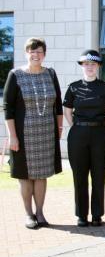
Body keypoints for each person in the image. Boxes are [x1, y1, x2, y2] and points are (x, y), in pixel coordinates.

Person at [3, 37, 63, 229]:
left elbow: (59, 106)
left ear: (44, 54)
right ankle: (29, 214)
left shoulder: (51, 74)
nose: (35, 55)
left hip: (46, 133)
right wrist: (12, 136)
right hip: (23, 134)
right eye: (32, 51)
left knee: (42, 175)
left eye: (39, 51)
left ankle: (40, 212)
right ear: (26, 53)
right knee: (25, 175)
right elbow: (8, 108)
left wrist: (59, 130)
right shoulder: (15, 75)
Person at [63, 50, 105, 227]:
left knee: (99, 175)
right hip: (78, 134)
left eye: (93, 64)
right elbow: (67, 111)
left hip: (100, 133)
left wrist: (100, 127)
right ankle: (81, 215)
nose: (90, 67)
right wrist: (76, 126)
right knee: (79, 176)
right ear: (82, 66)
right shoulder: (74, 87)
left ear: (98, 66)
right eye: (86, 64)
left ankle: (97, 214)